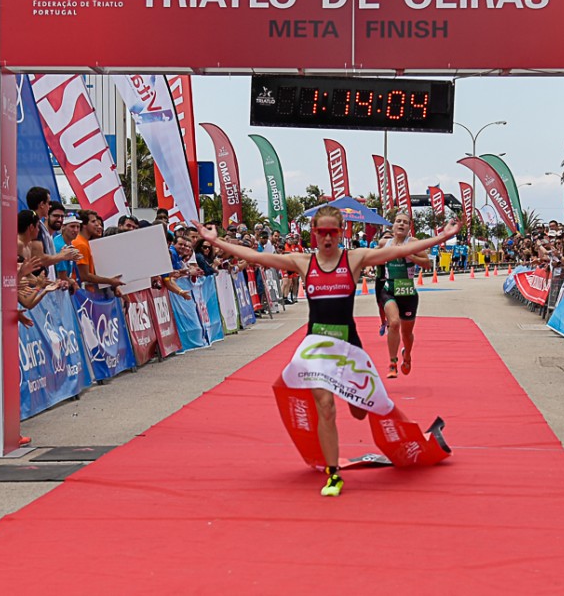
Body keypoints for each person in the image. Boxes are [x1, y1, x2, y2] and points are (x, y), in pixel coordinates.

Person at [193, 207, 461, 496]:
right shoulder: (304, 262)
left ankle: (356, 402)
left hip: (349, 347)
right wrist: (217, 242)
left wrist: (442, 237)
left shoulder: (355, 258)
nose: (328, 238)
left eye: (334, 232)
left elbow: (401, 251)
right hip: (317, 347)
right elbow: (257, 257)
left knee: (361, 411)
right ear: (315, 234)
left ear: (341, 232)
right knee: (326, 407)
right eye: (323, 232)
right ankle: (333, 474)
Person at [375, 212, 431, 378]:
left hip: (408, 293)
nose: (401, 224)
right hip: (389, 289)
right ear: (392, 225)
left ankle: (407, 355)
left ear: (409, 227)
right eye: (398, 221)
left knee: (407, 334)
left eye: (405, 222)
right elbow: (373, 259)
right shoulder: (384, 243)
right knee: (393, 323)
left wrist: (409, 255)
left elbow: (427, 264)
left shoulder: (413, 243)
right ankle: (392, 363)